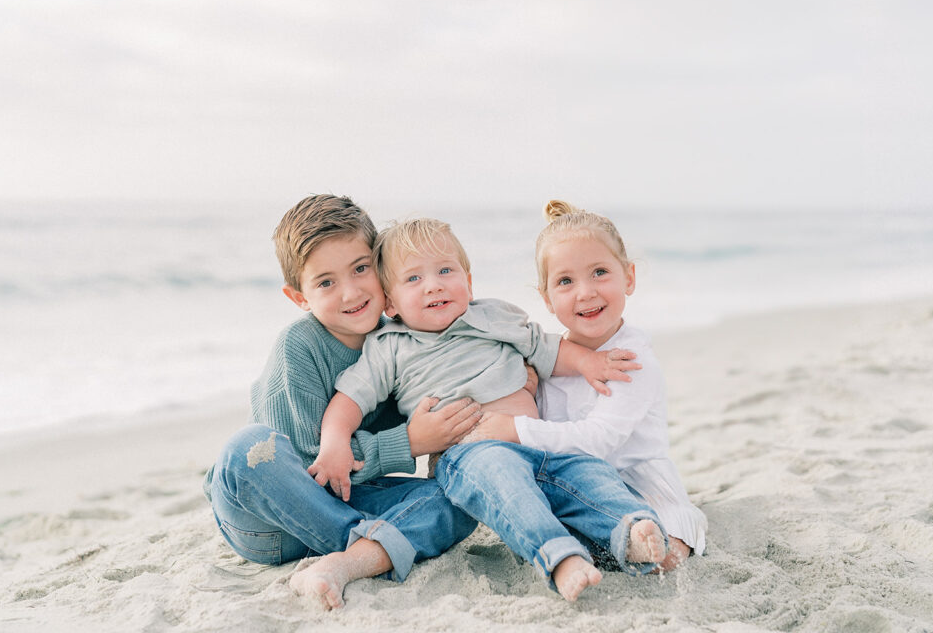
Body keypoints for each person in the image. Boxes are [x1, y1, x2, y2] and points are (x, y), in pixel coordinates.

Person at [308, 217, 669, 601]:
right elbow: (349, 399)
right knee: (509, 487)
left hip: (538, 443)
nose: (434, 284)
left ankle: (629, 529)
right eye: (414, 279)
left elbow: (545, 348)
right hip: (471, 455)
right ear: (391, 302)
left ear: (468, 279)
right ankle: (559, 556)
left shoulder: (493, 317)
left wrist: (587, 363)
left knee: (587, 473)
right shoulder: (390, 347)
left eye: (446, 270)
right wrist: (334, 442)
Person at [203, 195, 482, 611]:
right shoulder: (298, 347)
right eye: (326, 282)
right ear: (299, 297)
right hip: (270, 519)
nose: (351, 292)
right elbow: (306, 467)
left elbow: (463, 376)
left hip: (350, 502)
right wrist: (406, 443)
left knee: (457, 499)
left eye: (360, 269)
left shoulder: (402, 338)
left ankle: (347, 561)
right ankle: (372, 546)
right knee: (247, 447)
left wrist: (523, 373)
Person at [470, 200, 708, 571]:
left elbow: (598, 441)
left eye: (600, 272)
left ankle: (637, 538)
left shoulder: (632, 360)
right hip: (571, 488)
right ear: (546, 298)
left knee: (667, 553)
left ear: (629, 277)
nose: (585, 292)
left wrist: (515, 430)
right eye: (565, 281)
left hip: (637, 484)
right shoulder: (547, 358)